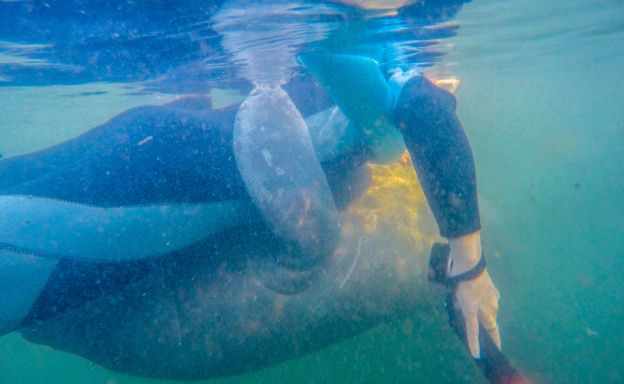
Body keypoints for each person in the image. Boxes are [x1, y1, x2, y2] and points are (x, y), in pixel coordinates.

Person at [0, 0, 500, 362]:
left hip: (145, 156)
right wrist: (470, 269)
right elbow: (427, 112)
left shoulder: (349, 98)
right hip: (146, 175)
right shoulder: (380, 106)